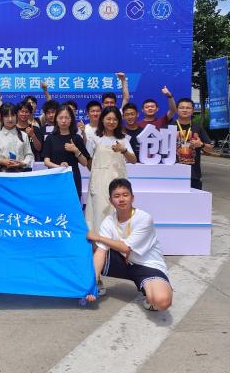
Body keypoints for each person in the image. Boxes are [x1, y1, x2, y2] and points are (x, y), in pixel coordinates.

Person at [85, 179, 172, 312]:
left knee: (162, 302)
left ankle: (149, 292)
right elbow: (101, 252)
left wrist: (99, 237)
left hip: (148, 265)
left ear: (132, 198)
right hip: (124, 264)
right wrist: (92, 283)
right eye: (117, 196)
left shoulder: (144, 218)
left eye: (125, 195)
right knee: (94, 246)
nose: (121, 199)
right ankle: (97, 283)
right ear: (110, 200)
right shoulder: (108, 221)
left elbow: (126, 248)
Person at [85, 106, 137, 232]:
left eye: (115, 119)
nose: (111, 122)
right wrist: (98, 171)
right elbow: (88, 161)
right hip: (99, 181)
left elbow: (133, 160)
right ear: (102, 119)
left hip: (119, 180)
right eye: (108, 119)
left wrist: (123, 150)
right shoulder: (94, 137)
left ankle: (118, 240)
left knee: (118, 209)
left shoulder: (123, 139)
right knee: (99, 210)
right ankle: (98, 240)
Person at [42, 105, 90, 198]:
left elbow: (84, 163)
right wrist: (60, 168)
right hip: (55, 178)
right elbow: (46, 161)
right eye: (61, 118)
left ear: (71, 119)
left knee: (73, 203)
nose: (64, 121)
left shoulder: (76, 138)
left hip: (72, 179)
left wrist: (76, 150)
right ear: (56, 119)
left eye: (67, 118)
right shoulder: (50, 138)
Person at [174, 98, 213, 190]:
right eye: (182, 107)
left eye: (188, 108)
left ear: (192, 111)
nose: (185, 110)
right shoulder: (168, 127)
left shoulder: (198, 127)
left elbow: (210, 149)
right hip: (172, 174)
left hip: (193, 175)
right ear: (177, 110)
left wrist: (201, 145)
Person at [0, 103, 33, 172]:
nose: (10, 119)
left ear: (17, 116)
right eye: (6, 116)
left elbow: (29, 156)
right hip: (3, 174)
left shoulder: (24, 135)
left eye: (13, 115)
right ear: (1, 117)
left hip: (21, 173)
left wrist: (22, 163)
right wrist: (2, 162)